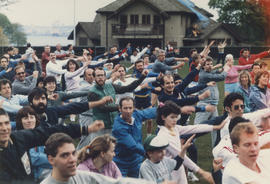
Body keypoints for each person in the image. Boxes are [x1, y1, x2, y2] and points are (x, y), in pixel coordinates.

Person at [0, 108, 105, 182]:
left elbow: (48, 132)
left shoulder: (17, 138)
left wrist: (84, 129)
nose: (4, 128)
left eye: (6, 123)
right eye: (0, 124)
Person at [41, 133, 159, 184]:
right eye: (65, 155)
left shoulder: (79, 176)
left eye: (73, 153)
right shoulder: (82, 170)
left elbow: (118, 182)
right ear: (51, 159)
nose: (72, 159)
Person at [156, 101, 224, 184]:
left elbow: (194, 128)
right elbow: (181, 156)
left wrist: (215, 127)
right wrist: (201, 172)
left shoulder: (174, 128)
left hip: (178, 169)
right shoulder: (163, 136)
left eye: (176, 117)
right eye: (172, 117)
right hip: (169, 172)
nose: (175, 120)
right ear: (163, 117)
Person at [88, 67, 148, 138]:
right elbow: (102, 108)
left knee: (114, 147)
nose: (100, 77)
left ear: (105, 76)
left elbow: (127, 88)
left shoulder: (110, 86)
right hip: (100, 126)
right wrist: (119, 107)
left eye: (102, 75)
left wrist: (142, 77)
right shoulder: (92, 92)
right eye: (98, 76)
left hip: (113, 124)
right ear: (94, 78)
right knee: (98, 147)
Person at [15, 106, 52, 181]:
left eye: (32, 117)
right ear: (20, 121)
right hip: (26, 176)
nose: (29, 121)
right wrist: (57, 161)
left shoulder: (38, 133)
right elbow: (33, 158)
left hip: (41, 170)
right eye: (25, 118)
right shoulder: (17, 137)